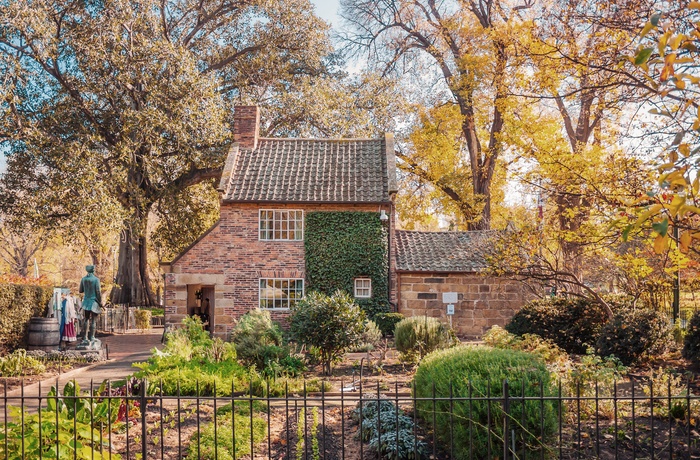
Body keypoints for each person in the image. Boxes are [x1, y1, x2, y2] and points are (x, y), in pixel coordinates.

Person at [79, 265, 102, 343]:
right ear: (93, 270)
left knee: (86, 319)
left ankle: (85, 338)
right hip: (94, 301)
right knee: (93, 320)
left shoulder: (83, 279)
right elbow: (98, 292)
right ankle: (92, 337)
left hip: (86, 302)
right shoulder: (96, 280)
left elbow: (80, 290)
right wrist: (100, 301)